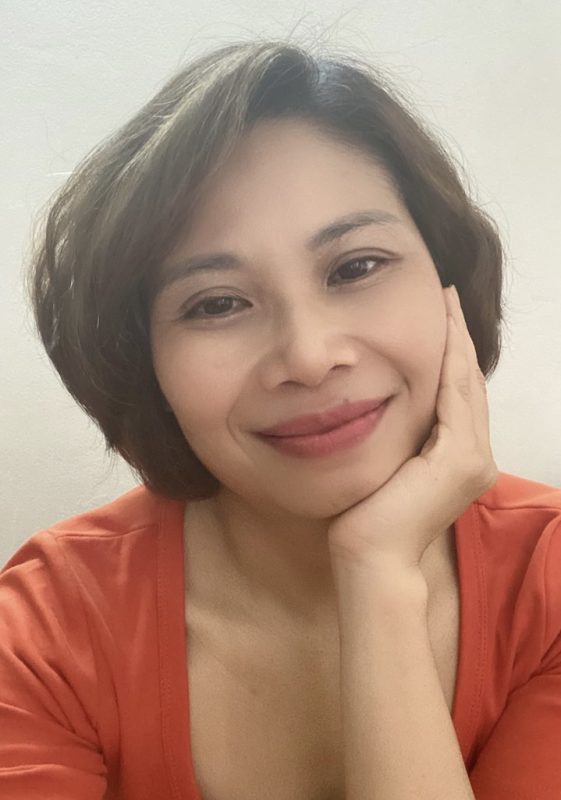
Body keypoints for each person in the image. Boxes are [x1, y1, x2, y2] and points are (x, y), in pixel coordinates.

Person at [1, 38, 560, 800]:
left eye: (355, 266)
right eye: (216, 304)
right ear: (146, 362)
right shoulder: (48, 631)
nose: (308, 355)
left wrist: (377, 575)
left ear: (449, 283)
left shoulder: (546, 581)